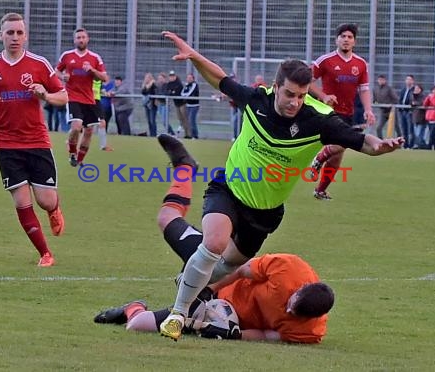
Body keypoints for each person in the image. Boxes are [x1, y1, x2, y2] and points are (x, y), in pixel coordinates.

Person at [158, 30, 403, 341]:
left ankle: (191, 282)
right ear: (276, 88)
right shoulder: (256, 99)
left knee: (227, 265)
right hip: (230, 189)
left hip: (265, 213)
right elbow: (220, 79)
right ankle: (178, 314)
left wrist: (380, 146)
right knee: (214, 244)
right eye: (289, 94)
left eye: (302, 96)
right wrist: (194, 56)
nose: (295, 102)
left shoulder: (318, 120)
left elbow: (360, 140)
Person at [93, 135, 333, 343]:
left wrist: (229, 331)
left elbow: (267, 336)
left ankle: (132, 308)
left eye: (293, 313)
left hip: (220, 316)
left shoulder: (310, 330)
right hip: (216, 274)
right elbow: (240, 269)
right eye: (291, 302)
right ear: (300, 289)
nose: (288, 310)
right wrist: (208, 288)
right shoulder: (290, 269)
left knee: (137, 325)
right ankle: (185, 169)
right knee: (166, 218)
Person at [0, 12, 67, 267]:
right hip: (6, 144)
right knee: (22, 201)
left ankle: (54, 210)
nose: (14, 37)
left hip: (37, 142)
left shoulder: (39, 64)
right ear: (0, 35)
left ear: (26, 35)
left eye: (19, 32)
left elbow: (63, 96)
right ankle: (45, 253)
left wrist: (45, 95)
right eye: (10, 32)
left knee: (45, 200)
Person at [307, 23, 376, 201]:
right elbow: (307, 81)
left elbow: (364, 89)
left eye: (349, 37)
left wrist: (368, 110)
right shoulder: (325, 60)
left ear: (354, 41)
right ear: (336, 39)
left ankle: (320, 190)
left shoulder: (360, 64)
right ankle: (319, 158)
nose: (346, 40)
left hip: (348, 113)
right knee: (340, 144)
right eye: (343, 36)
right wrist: (323, 95)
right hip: (327, 112)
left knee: (337, 156)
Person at [56, 28, 108, 167]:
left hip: (89, 99)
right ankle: (72, 153)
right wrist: (63, 77)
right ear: (74, 40)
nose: (81, 40)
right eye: (78, 37)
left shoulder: (95, 58)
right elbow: (56, 71)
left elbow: (105, 77)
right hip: (72, 96)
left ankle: (79, 159)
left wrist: (92, 70)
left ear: (87, 39)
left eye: (83, 37)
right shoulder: (67, 56)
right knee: (76, 126)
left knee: (89, 131)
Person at [167, 70, 191, 138]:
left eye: (173, 76)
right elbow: (168, 92)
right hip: (176, 104)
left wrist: (172, 92)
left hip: (182, 103)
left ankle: (188, 134)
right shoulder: (169, 84)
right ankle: (186, 133)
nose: (171, 77)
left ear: (175, 76)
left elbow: (177, 93)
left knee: (185, 119)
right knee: (180, 119)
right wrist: (172, 92)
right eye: (170, 76)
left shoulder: (178, 83)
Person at [373, 74, 399, 139]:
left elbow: (396, 99)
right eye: (379, 80)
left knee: (397, 127)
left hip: (391, 111)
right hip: (383, 111)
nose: (380, 81)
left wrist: (391, 104)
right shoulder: (375, 89)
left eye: (382, 80)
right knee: (378, 128)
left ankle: (401, 142)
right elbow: (374, 99)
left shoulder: (389, 88)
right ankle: (381, 142)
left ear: (385, 80)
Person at [93, 79, 113, 151]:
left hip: (96, 101)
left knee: (102, 123)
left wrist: (105, 92)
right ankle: (69, 141)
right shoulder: (87, 75)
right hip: (89, 101)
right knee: (82, 125)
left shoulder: (99, 78)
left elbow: (99, 89)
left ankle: (103, 146)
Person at [397, 75, 415, 148]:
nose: (408, 81)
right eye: (407, 79)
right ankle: (405, 144)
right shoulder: (403, 89)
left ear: (413, 81)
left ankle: (411, 145)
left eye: (410, 79)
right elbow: (400, 99)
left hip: (409, 112)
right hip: (402, 112)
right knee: (404, 129)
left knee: (410, 129)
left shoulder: (414, 90)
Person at [182, 73, 200, 139]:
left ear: (193, 79)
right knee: (189, 120)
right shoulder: (186, 85)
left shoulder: (194, 85)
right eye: (188, 78)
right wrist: (185, 95)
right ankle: (192, 135)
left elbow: (190, 93)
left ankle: (195, 135)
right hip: (188, 105)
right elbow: (182, 93)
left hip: (194, 105)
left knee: (192, 120)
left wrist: (185, 95)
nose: (189, 79)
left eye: (190, 78)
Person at [410, 84, 427, 149]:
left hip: (421, 118)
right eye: (415, 89)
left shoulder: (423, 96)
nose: (416, 90)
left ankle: (418, 145)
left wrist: (415, 103)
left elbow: (422, 103)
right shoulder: (413, 96)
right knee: (417, 133)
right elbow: (411, 103)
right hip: (415, 118)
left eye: (417, 89)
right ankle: (422, 145)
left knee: (419, 133)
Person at [141, 72, 158, 137]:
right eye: (146, 78)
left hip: (152, 105)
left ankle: (154, 134)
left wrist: (149, 85)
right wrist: (146, 86)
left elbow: (152, 92)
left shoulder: (153, 84)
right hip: (146, 104)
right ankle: (151, 134)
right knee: (148, 120)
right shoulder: (145, 85)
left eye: (148, 78)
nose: (146, 79)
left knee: (152, 120)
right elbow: (143, 92)